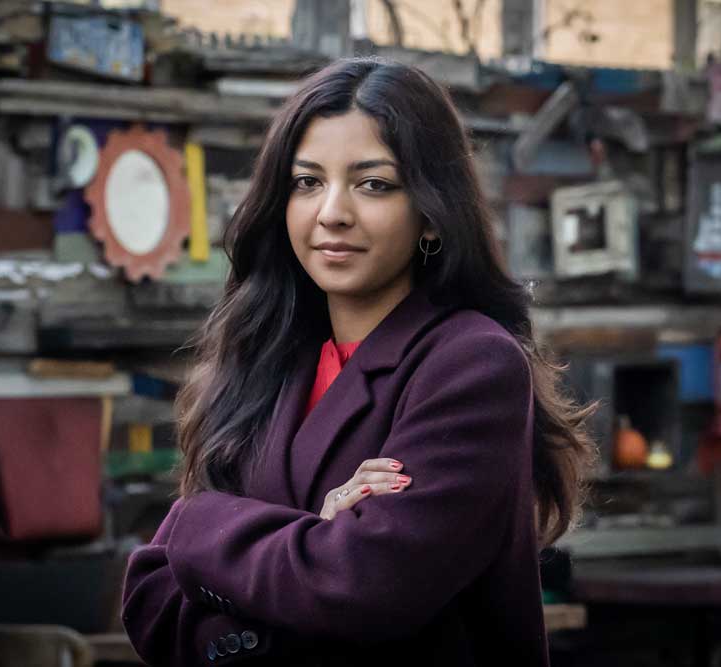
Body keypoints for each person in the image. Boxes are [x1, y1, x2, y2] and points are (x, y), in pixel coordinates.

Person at [121, 57, 595, 666]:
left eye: (374, 184)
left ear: (430, 211)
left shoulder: (470, 364)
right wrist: (313, 543)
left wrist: (202, 524)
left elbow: (364, 588)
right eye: (307, 181)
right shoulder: (266, 359)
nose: (332, 213)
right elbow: (150, 594)